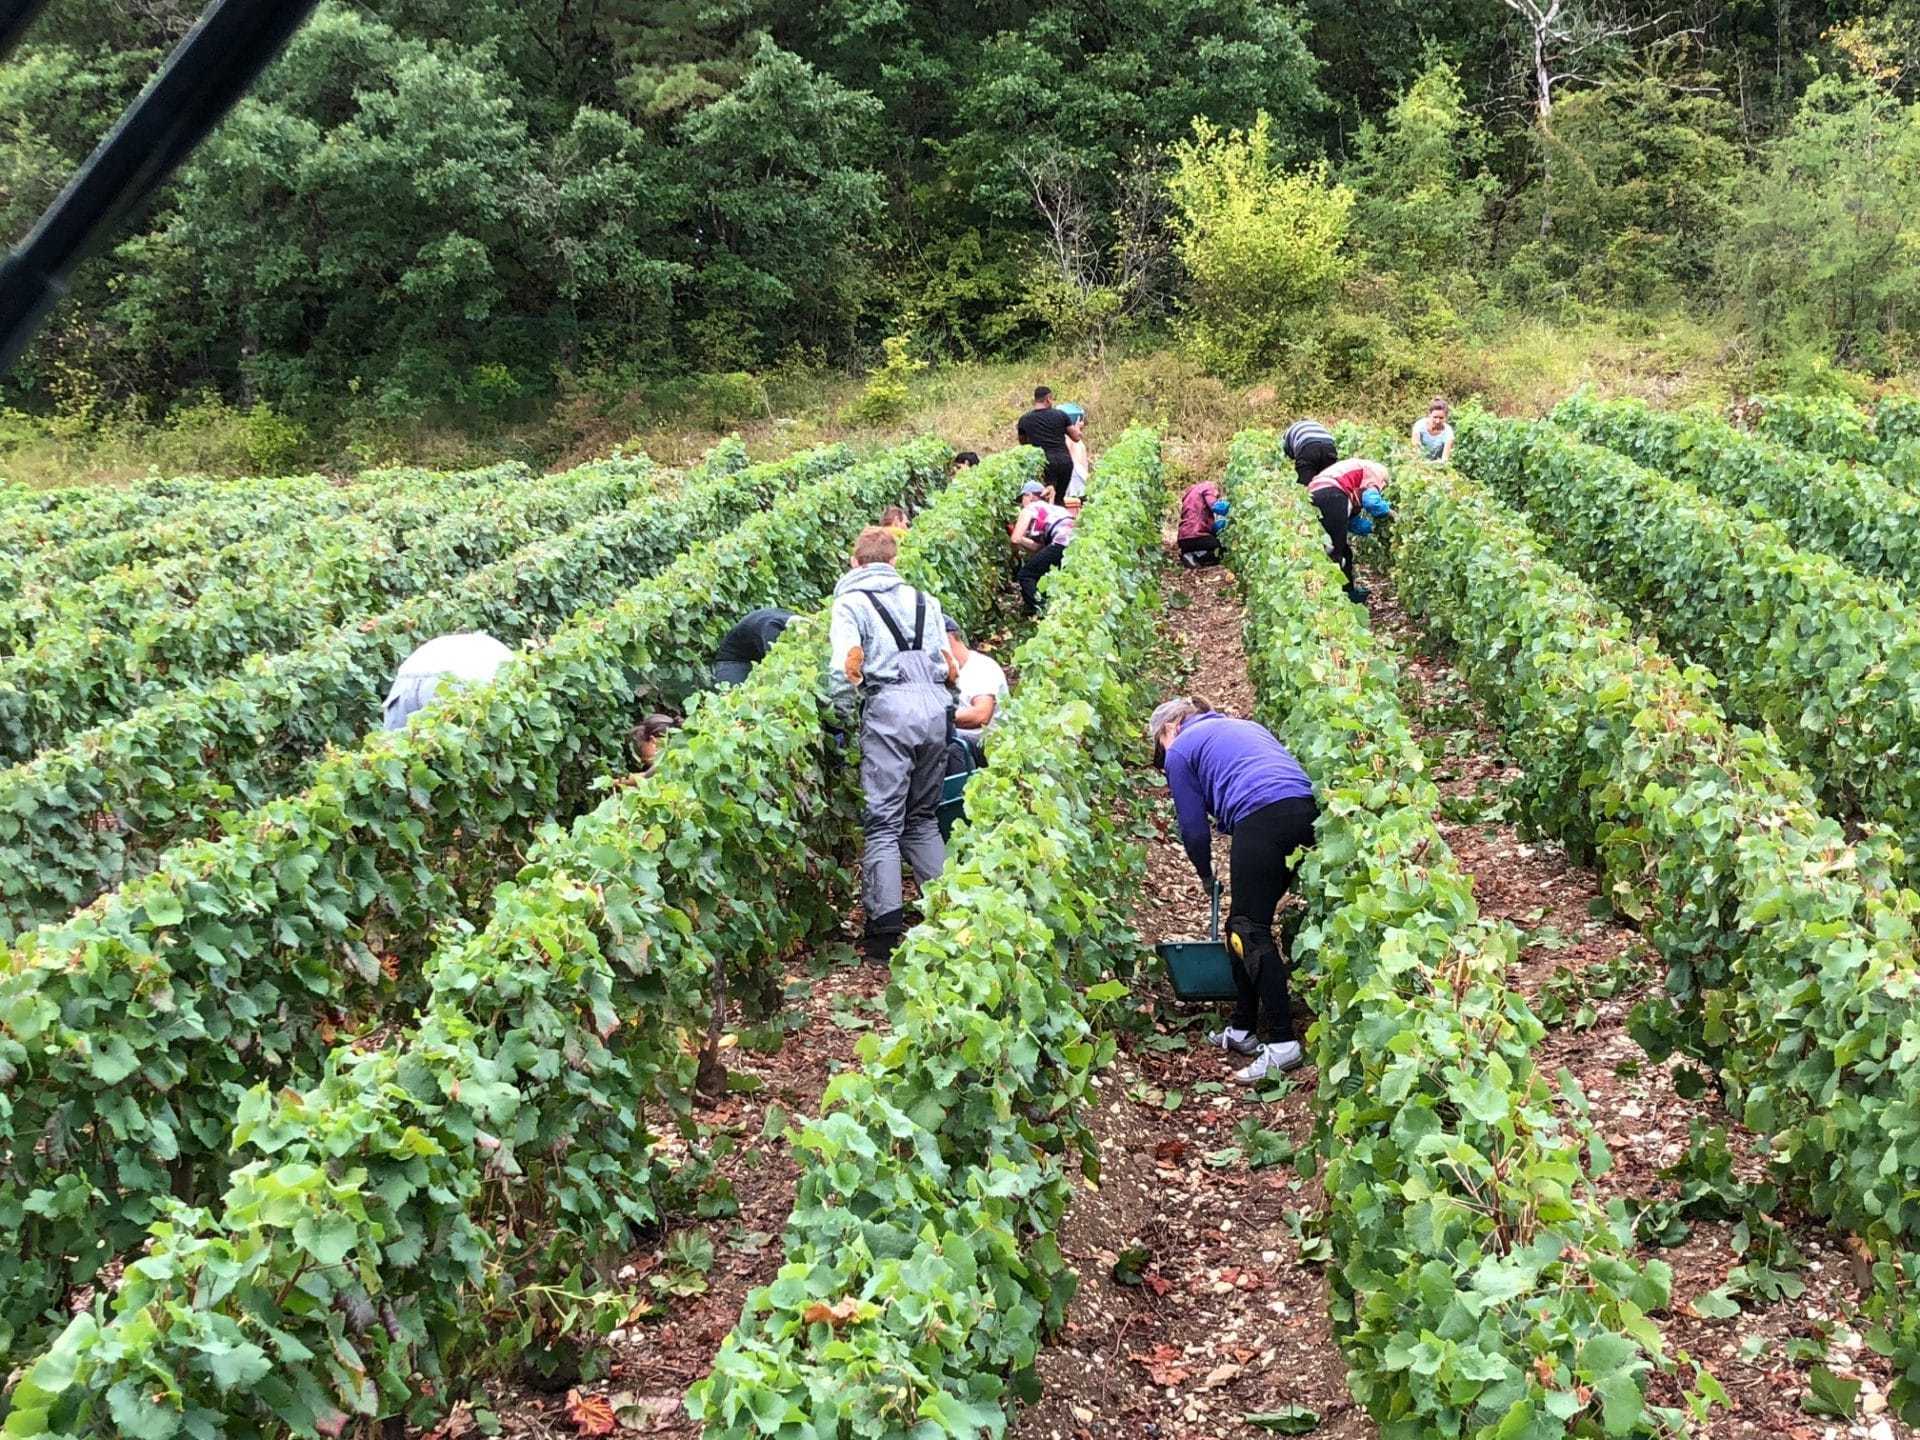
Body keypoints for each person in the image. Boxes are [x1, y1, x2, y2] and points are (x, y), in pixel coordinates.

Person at [1150, 698, 1318, 1083]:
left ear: (1169, 728)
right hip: (1305, 813)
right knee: (1242, 924)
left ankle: (1282, 1043)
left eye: (1160, 752)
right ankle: (1242, 1028)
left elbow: (1193, 830)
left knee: (1247, 929)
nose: (1165, 764)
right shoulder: (1243, 726)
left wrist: (1204, 874)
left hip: (1262, 816)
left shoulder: (1181, 748)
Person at [829, 527, 958, 961]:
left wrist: (843, 720)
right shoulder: (927, 601)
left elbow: (847, 667)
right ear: (894, 560)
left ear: (854, 561)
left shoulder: (851, 603)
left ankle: (884, 931)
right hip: (935, 707)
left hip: (890, 709)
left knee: (883, 821)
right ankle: (949, 916)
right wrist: (946, 706)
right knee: (921, 817)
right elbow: (948, 664)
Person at [382, 631, 513, 730]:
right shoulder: (498, 652)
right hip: (451, 683)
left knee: (395, 743)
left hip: (406, 681)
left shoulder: (441, 643)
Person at [1305, 456, 1391, 604]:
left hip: (1313, 494)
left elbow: (1350, 523)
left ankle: (1347, 593)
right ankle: (1337, 599)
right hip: (1331, 494)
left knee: (1339, 549)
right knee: (1336, 552)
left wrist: (1373, 529)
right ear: (1383, 481)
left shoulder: (1353, 484)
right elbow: (1372, 502)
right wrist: (1390, 513)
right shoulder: (1376, 472)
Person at [1009, 480, 1076, 615]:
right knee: (1049, 575)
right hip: (1074, 540)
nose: (1021, 505)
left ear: (1030, 496)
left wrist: (1015, 555)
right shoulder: (1054, 509)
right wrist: (1022, 540)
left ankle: (1041, 610)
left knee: (1026, 575)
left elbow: (1015, 539)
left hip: (1062, 540)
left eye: (1022, 499)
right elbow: (1040, 549)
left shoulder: (1030, 508)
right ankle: (1056, 610)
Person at [946, 617, 1008, 758]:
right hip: (966, 742)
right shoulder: (944, 670)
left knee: (950, 741)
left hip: (989, 746)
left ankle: (960, 781)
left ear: (947, 639)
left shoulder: (981, 667)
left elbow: (981, 716)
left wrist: (939, 718)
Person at [1017, 385, 1084, 503]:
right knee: (1059, 499)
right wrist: (1078, 427)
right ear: (1048, 398)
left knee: (1045, 498)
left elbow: (1023, 443)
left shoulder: (1024, 420)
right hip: (1065, 462)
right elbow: (1076, 437)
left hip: (1044, 464)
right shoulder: (1061, 415)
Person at [711, 607, 795, 685]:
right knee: (735, 696)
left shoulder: (796, 622)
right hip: (735, 662)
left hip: (756, 659)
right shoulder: (771, 628)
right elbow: (776, 663)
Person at [1177, 479, 1225, 568]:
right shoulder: (1208, 487)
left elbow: (1196, 517)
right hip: (1195, 536)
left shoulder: (1191, 493)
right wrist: (1230, 508)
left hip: (1183, 538)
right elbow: (1216, 506)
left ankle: (1188, 553)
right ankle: (1196, 556)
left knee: (1210, 541)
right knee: (1221, 549)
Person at [1283, 418, 1338, 487]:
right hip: (1329, 446)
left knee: (1305, 486)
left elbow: (1287, 453)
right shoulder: (1317, 425)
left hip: (1308, 446)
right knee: (1328, 483)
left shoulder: (1289, 430)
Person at [1061, 404, 1092, 509]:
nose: (1082, 423)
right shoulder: (1067, 438)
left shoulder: (1076, 438)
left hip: (1081, 479)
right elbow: (1070, 459)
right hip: (1075, 481)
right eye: (1080, 420)